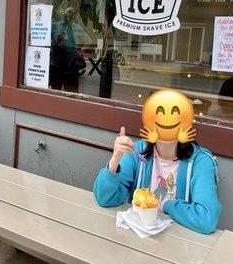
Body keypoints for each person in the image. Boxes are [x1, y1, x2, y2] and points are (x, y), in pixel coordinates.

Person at [93, 89, 221, 235]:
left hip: (181, 244)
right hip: (136, 238)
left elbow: (206, 220)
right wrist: (115, 159)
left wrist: (165, 204)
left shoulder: (201, 161)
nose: (166, 121)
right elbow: (105, 199)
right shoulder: (137, 151)